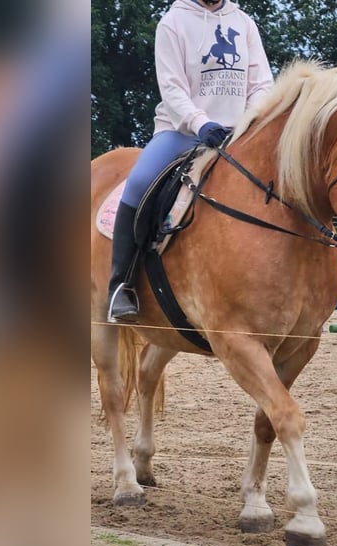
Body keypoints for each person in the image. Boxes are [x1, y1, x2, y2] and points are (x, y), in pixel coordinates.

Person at [107, 0, 274, 323]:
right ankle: (122, 284)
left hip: (238, 134)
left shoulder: (243, 23)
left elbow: (261, 83)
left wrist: (250, 121)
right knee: (140, 182)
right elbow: (172, 89)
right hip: (182, 131)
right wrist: (200, 123)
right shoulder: (172, 23)